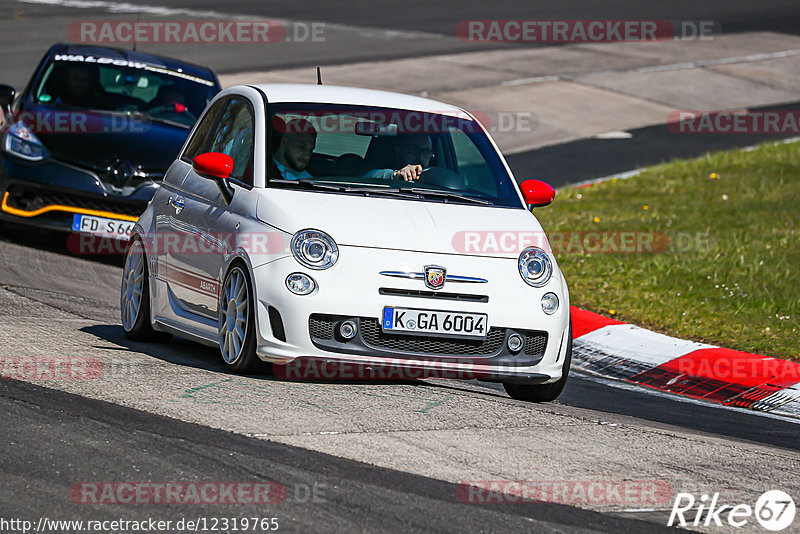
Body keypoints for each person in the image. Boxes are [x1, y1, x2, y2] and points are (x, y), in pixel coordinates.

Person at [365, 134, 433, 181]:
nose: (420, 157)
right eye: (413, 150)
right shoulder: (380, 170)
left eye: (426, 152)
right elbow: (366, 176)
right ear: (398, 150)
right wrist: (395, 175)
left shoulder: (436, 179)